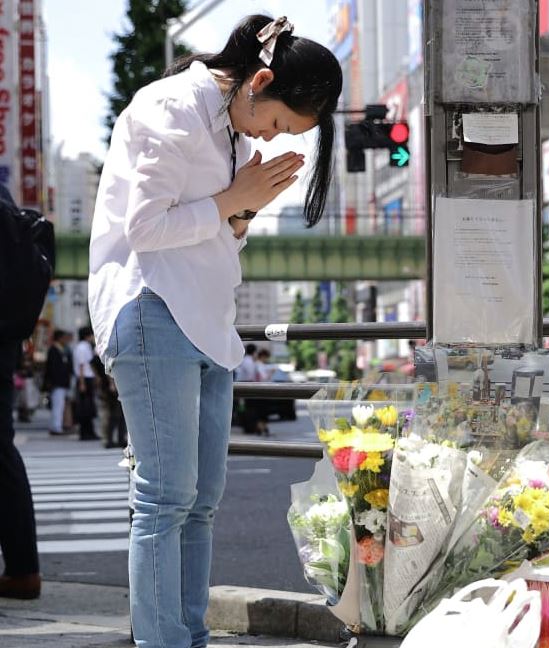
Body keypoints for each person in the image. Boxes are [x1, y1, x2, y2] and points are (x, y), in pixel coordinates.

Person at [87, 15, 341, 648]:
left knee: (199, 502)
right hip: (152, 309)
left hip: (206, 320)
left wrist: (245, 206)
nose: (271, 135)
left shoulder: (229, 125)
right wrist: (236, 198)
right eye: (280, 122)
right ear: (258, 81)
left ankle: (190, 636)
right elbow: (144, 229)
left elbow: (216, 235)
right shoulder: (170, 106)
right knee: (166, 498)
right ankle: (163, 642)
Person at [0, 183, 54, 600]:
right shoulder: (5, 199)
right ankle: (23, 570)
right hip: (5, 340)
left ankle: (22, 572)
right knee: (1, 451)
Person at [44, 329, 73, 435]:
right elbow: (51, 368)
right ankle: (56, 427)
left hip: (62, 382)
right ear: (59, 338)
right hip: (57, 383)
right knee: (57, 405)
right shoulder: (54, 350)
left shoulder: (63, 349)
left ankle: (57, 425)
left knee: (60, 405)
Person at [73, 326, 99, 441]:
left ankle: (89, 431)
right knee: (86, 407)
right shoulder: (83, 347)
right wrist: (82, 383)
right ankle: (86, 432)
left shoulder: (83, 347)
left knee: (87, 406)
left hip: (85, 378)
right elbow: (82, 365)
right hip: (85, 379)